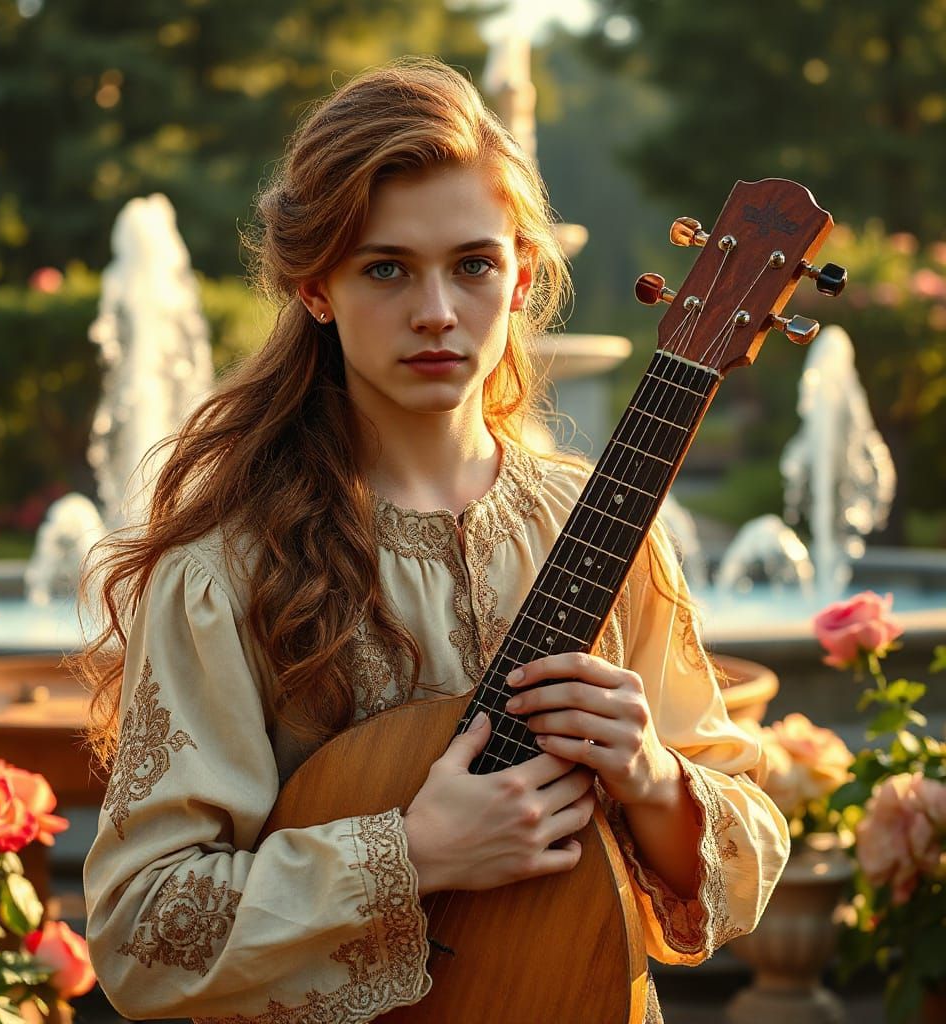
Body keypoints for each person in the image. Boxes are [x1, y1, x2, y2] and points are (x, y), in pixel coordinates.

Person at [78, 56, 789, 1024]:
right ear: (315, 288)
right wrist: (410, 854)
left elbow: (747, 828)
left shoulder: (596, 522)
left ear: (521, 274)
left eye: (473, 264)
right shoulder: (224, 569)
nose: (437, 313)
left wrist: (654, 777)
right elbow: (141, 935)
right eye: (385, 268)